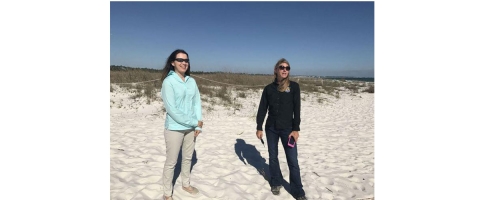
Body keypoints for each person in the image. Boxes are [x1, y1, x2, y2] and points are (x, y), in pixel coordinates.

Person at [255, 58, 307, 200]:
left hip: (288, 129)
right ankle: (276, 181)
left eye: (287, 68)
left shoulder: (294, 87)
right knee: (273, 157)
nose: (285, 70)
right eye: (282, 67)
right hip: (271, 128)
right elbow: (262, 109)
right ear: (276, 70)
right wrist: (259, 127)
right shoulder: (268, 89)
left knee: (293, 161)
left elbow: (297, 109)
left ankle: (297, 190)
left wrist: (296, 129)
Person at [160, 49, 203, 200]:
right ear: (173, 62)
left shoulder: (191, 81)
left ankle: (186, 184)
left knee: (187, 158)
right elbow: (172, 110)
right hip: (174, 128)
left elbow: (196, 103)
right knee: (171, 161)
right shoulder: (168, 82)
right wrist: (194, 122)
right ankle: (167, 193)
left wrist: (197, 125)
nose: (184, 63)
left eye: (186, 60)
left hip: (191, 129)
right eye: (180, 60)